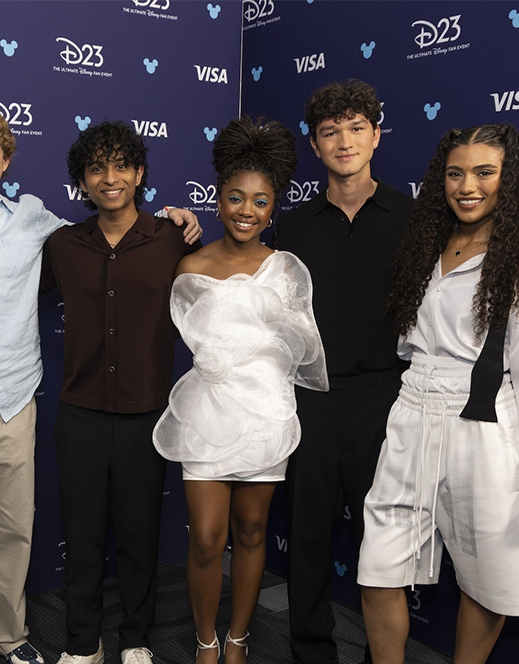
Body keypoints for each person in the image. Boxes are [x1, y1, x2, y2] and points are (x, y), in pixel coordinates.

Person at [0, 107, 199, 664]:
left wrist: (187, 220)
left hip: (36, 404)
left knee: (26, 534)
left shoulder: (55, 226)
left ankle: (28, 637)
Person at [357, 124, 519, 664]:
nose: (467, 185)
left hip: (482, 429)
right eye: (455, 173)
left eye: (484, 172)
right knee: (378, 568)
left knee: (487, 578)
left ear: (511, 181)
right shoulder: (425, 248)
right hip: (411, 416)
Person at [152, 117, 328, 664]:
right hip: (208, 414)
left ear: (273, 207)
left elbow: (304, 346)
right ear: (219, 199)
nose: (245, 211)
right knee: (207, 537)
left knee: (252, 531)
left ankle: (238, 640)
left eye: (259, 201)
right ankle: (206, 641)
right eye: (234, 198)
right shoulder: (190, 265)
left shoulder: (288, 270)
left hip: (266, 416)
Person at [43, 121, 199, 664]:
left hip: (145, 414)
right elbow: (0, 285)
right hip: (80, 413)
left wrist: (188, 219)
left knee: (139, 536)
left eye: (120, 166)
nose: (109, 178)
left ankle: (136, 638)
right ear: (82, 181)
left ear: (138, 173)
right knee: (82, 537)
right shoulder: (63, 244)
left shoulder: (173, 239)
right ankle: (82, 643)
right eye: (95, 168)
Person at [272, 80, 413, 664]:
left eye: (357, 128)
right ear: (314, 145)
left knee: (384, 542)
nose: (345, 141)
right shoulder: (293, 227)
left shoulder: (414, 216)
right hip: (313, 398)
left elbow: (478, 255)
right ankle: (312, 653)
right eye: (331, 132)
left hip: (387, 396)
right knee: (306, 538)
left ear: (376, 136)